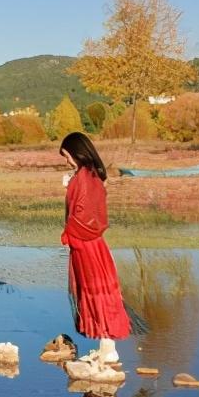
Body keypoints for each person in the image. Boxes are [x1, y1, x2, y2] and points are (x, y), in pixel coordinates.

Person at [59, 131, 131, 377]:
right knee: (98, 292)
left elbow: (82, 214)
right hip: (92, 245)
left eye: (67, 156)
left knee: (94, 292)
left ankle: (108, 348)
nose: (66, 161)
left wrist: (69, 234)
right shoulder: (90, 176)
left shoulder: (84, 178)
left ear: (77, 153)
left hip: (85, 245)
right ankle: (105, 346)